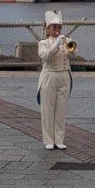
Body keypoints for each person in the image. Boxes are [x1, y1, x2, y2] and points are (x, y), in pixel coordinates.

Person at [37, 10, 72, 151]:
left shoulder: (67, 40)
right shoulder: (43, 43)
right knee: (47, 109)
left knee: (61, 109)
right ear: (48, 29)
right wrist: (56, 45)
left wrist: (69, 46)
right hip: (49, 76)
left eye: (59, 27)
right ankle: (49, 140)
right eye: (54, 27)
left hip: (64, 75)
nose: (57, 30)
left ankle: (59, 139)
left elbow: (74, 55)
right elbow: (45, 57)